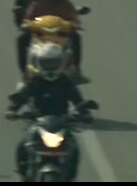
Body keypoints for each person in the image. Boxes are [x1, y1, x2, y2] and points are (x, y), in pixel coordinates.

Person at [6, 45, 92, 181]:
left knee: (74, 148)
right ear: (39, 63)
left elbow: (77, 99)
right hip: (38, 122)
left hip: (62, 122)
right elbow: (23, 96)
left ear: (61, 62)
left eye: (53, 62)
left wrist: (84, 112)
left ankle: (71, 176)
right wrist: (13, 109)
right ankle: (22, 174)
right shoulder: (35, 80)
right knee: (23, 144)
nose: (50, 66)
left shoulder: (65, 81)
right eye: (46, 62)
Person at [19, 0, 87, 81]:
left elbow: (73, 18)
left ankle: (76, 68)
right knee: (21, 38)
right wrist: (27, 24)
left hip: (60, 34)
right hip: (41, 35)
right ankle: (24, 71)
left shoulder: (65, 3)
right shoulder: (37, 3)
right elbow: (28, 18)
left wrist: (74, 25)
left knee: (76, 36)